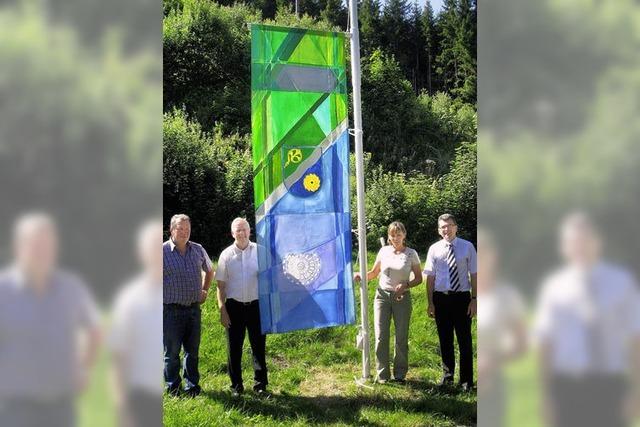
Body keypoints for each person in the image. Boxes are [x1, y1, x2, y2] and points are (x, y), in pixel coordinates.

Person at [532, 212, 640, 427]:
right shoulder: (553, 287)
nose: (579, 247)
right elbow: (546, 344)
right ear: (564, 247)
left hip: (611, 387)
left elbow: (635, 338)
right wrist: (546, 395)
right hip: (567, 387)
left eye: (585, 240)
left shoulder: (622, 283)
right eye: (573, 242)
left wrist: (636, 391)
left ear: (598, 242)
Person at [0, 212, 101, 427]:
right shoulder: (3, 290)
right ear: (19, 247)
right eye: (35, 245)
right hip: (14, 408)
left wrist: (84, 368)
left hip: (61, 407)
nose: (42, 251)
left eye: (47, 245)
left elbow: (93, 329)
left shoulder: (71, 287)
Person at [109, 219, 163, 426]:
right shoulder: (130, 297)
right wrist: (121, 404)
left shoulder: (174, 291)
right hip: (140, 395)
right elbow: (118, 357)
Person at [355, 221, 422, 383]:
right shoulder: (383, 251)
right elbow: (373, 273)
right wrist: (360, 276)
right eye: (393, 235)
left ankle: (399, 374)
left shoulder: (411, 254)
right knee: (380, 336)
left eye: (399, 234)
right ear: (389, 236)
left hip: (402, 298)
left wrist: (406, 285)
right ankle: (383, 374)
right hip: (382, 297)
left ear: (404, 235)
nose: (396, 238)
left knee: (401, 336)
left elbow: (419, 279)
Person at [476, 228, 527, 427]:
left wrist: (494, 361)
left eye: (485, 254)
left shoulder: (507, 295)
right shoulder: (464, 292)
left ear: (494, 257)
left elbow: (521, 344)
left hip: (493, 380)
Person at [424, 213, 477, 391]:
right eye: (443, 227)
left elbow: (475, 275)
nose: (446, 229)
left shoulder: (467, 247)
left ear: (456, 227)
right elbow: (430, 278)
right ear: (439, 230)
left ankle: (466, 382)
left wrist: (474, 300)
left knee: (464, 340)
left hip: (462, 298)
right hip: (441, 298)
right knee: (445, 339)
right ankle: (447, 377)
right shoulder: (434, 249)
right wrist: (430, 302)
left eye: (449, 225)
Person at [215, 218, 268, 396]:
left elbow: (271, 279)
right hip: (234, 308)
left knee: (258, 347)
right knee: (234, 348)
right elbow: (220, 287)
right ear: (232, 233)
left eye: (244, 229)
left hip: (257, 307)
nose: (242, 233)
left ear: (249, 231)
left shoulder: (261, 251)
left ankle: (260, 385)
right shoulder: (225, 255)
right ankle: (236, 386)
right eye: (238, 230)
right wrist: (222, 310)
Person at [163, 214, 213, 397]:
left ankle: (192, 387)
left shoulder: (198, 249)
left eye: (187, 229)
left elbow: (210, 270)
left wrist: (205, 290)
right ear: (172, 230)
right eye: (180, 229)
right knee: (172, 353)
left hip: (193, 310)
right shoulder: (161, 252)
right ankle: (173, 388)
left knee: (192, 352)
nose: (184, 233)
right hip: (170, 311)